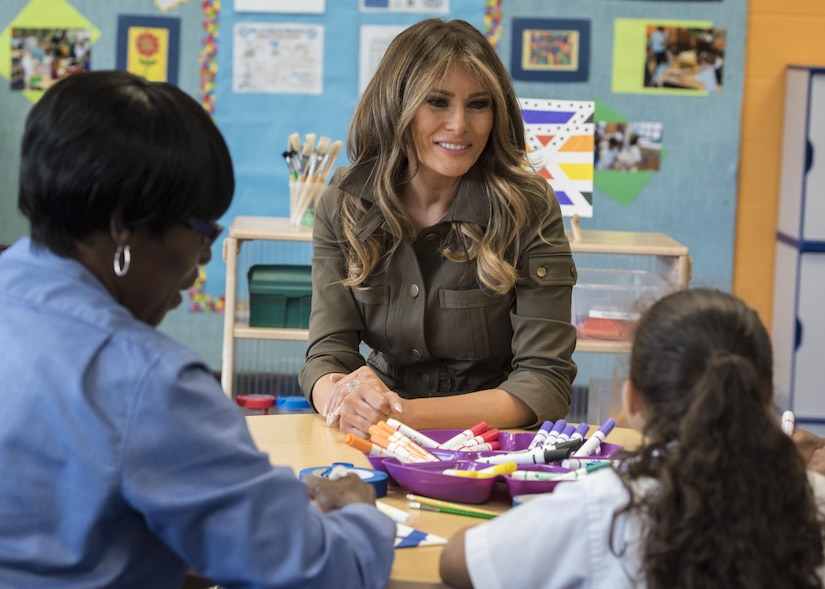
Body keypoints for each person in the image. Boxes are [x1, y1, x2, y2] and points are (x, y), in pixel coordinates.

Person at [0, 71, 395, 589]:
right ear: (123, 226)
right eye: (202, 229)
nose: (206, 255)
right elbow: (320, 571)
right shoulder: (147, 382)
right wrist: (360, 513)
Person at [298, 18, 578, 439]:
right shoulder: (344, 200)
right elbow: (327, 354)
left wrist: (401, 415)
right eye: (438, 102)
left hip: (489, 438)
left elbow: (544, 382)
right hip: (373, 431)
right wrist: (342, 397)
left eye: (479, 104)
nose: (460, 125)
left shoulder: (529, 207)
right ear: (397, 106)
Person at [440, 288, 825, 588]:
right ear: (764, 397)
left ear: (633, 399)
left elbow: (458, 561)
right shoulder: (814, 498)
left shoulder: (607, 505)